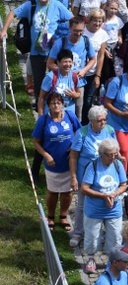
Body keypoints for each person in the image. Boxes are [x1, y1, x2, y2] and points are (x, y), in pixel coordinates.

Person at [0, 0, 72, 104]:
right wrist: (4, 30)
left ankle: (56, 104)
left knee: (56, 80)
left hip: (54, 52)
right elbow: (13, 13)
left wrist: (66, 37)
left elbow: (71, 19)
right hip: (37, 52)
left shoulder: (56, 5)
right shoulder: (31, 4)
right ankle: (40, 104)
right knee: (39, 82)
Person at [69, 105, 117, 247]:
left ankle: (99, 234)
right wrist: (73, 177)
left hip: (105, 175)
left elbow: (115, 149)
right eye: (99, 120)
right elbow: (73, 156)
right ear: (91, 120)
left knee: (102, 204)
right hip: (86, 176)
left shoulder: (109, 131)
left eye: (104, 120)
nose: (103, 123)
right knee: (82, 206)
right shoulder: (82, 133)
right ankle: (78, 233)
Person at [32, 92, 81, 232]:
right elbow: (36, 142)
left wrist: (74, 147)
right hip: (52, 163)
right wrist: (46, 155)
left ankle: (63, 215)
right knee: (53, 192)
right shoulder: (43, 120)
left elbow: (80, 132)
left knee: (67, 192)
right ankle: (51, 216)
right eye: (53, 103)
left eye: (58, 102)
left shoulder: (70, 116)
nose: (56, 105)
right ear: (48, 106)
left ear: (62, 104)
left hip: (69, 162)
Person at [81, 138, 128, 273]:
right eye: (110, 155)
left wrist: (114, 194)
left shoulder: (118, 165)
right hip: (94, 209)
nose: (113, 157)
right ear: (102, 154)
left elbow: (123, 184)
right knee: (93, 235)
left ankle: (111, 260)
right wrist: (102, 196)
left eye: (115, 154)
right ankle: (90, 258)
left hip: (113, 209)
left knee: (115, 235)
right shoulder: (93, 166)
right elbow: (85, 188)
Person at [80, 10, 110, 124]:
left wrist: (98, 75)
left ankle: (85, 123)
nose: (97, 23)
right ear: (89, 20)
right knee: (79, 99)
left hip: (93, 72)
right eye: (95, 20)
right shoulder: (83, 31)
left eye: (100, 21)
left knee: (88, 100)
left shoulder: (103, 34)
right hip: (80, 71)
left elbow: (101, 56)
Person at [38, 50, 84, 117]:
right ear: (58, 63)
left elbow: (79, 93)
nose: (68, 64)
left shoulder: (74, 76)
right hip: (52, 114)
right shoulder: (50, 77)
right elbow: (41, 97)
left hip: (68, 113)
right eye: (65, 62)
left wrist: (74, 95)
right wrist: (41, 116)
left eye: (70, 62)